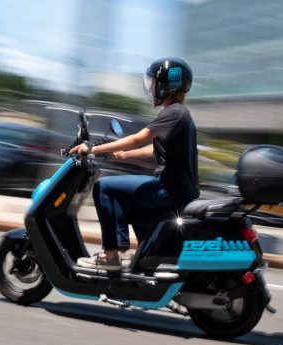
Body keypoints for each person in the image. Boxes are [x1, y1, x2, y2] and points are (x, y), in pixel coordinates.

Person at [70, 57, 199, 270]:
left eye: (154, 83)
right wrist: (124, 156)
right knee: (129, 206)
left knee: (105, 188)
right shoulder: (181, 114)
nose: (151, 88)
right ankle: (137, 255)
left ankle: (111, 255)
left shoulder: (173, 112)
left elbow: (138, 138)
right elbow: (156, 150)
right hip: (178, 189)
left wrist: (91, 149)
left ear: (166, 85)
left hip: (167, 188)